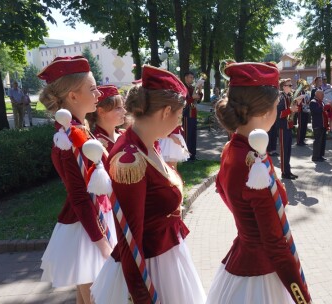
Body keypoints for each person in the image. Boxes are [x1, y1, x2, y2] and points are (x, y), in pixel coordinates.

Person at [91, 65, 206, 304]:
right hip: (151, 270)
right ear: (165, 111)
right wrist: (143, 296)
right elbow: (129, 241)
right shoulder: (129, 159)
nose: (178, 122)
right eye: (178, 114)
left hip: (167, 259)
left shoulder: (148, 145)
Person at [208, 61, 312, 304]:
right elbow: (276, 244)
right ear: (266, 111)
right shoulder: (254, 163)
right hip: (262, 275)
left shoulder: (232, 148)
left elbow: (227, 196)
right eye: (277, 105)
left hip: (241, 262)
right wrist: (303, 298)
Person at [37, 56, 113, 304]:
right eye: (92, 89)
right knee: (97, 297)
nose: (98, 93)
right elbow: (79, 195)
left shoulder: (79, 129)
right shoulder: (68, 138)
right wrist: (101, 242)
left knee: (87, 298)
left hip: (95, 220)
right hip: (88, 228)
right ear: (73, 97)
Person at [87, 85, 127, 152]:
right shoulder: (94, 142)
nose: (124, 111)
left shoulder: (124, 134)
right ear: (101, 111)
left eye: (123, 107)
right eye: (118, 108)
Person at [277, 78, 301, 179]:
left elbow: (294, 110)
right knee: (284, 151)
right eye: (289, 85)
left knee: (288, 151)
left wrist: (298, 104)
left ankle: (288, 171)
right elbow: (278, 114)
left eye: (291, 85)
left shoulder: (289, 97)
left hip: (289, 126)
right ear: (284, 87)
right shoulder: (280, 97)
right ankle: (284, 172)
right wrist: (290, 110)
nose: (292, 87)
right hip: (283, 127)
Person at [182, 71, 202, 161]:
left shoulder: (192, 88)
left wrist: (200, 91)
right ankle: (186, 156)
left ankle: (193, 155)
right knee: (187, 136)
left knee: (193, 136)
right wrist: (192, 98)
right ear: (186, 78)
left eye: (193, 78)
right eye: (190, 77)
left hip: (193, 114)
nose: (192, 79)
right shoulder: (183, 88)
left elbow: (198, 100)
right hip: (186, 115)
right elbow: (183, 103)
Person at [310, 90, 327, 162]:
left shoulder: (321, 102)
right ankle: (315, 157)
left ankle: (320, 155)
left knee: (322, 141)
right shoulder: (313, 102)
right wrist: (325, 107)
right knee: (318, 141)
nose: (323, 96)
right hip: (317, 124)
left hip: (323, 124)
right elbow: (317, 111)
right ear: (317, 95)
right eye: (322, 95)